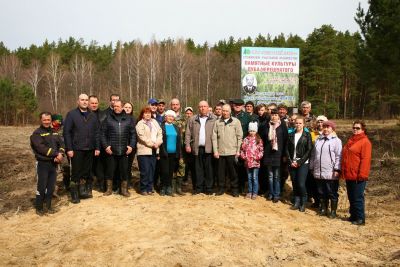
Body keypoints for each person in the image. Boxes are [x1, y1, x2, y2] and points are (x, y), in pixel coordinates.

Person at [63, 94, 100, 204]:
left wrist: (97, 147)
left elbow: (97, 133)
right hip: (76, 149)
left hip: (89, 148)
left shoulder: (92, 115)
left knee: (86, 172)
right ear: (78, 101)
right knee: (76, 173)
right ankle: (74, 194)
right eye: (82, 100)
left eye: (86, 100)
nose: (84, 102)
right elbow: (67, 132)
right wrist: (69, 148)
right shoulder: (71, 114)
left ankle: (82, 191)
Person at [30, 112, 65, 215]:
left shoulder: (54, 132)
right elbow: (41, 148)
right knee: (42, 186)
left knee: (51, 186)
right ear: (41, 120)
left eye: (48, 120)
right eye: (44, 120)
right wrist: (56, 155)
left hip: (53, 164)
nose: (46, 122)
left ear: (51, 120)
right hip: (43, 164)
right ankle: (39, 208)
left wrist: (61, 154)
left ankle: (49, 206)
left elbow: (62, 144)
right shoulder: (36, 134)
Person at [101, 100, 136, 197]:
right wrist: (106, 146)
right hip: (111, 150)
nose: (116, 108)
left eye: (118, 106)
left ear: (122, 107)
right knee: (110, 171)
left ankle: (124, 190)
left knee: (124, 171)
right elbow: (102, 134)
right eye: (115, 106)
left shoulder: (128, 119)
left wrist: (131, 146)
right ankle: (109, 189)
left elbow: (133, 134)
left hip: (124, 151)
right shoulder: (108, 118)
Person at [341, 120, 372, 225]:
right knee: (351, 196)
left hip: (358, 175)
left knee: (358, 197)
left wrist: (362, 175)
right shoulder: (351, 140)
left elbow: (365, 160)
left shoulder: (365, 142)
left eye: (358, 128)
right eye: (354, 128)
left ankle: (360, 218)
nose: (355, 130)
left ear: (363, 129)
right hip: (349, 174)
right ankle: (353, 215)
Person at [310, 120, 342, 218]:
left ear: (332, 129)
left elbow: (339, 156)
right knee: (321, 192)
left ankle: (333, 211)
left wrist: (337, 169)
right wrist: (311, 166)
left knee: (331, 192)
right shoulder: (318, 139)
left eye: (328, 127)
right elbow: (313, 155)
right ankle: (323, 208)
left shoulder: (336, 141)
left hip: (331, 172)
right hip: (318, 171)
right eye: (324, 127)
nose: (326, 129)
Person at [185, 100, 216, 194]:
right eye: (201, 106)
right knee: (198, 169)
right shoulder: (193, 119)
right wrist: (187, 145)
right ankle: (199, 188)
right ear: (198, 108)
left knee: (209, 169)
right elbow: (188, 133)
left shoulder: (214, 119)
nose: (202, 108)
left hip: (209, 148)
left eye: (204, 106)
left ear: (208, 107)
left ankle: (209, 188)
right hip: (197, 148)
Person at [212, 104, 243, 197]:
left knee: (233, 172)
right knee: (220, 172)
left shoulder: (236, 122)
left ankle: (234, 189)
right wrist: (215, 151)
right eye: (223, 111)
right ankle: (221, 189)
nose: (225, 112)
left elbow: (239, 137)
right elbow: (214, 137)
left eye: (226, 111)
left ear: (230, 112)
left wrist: (238, 150)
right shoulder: (217, 122)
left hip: (232, 152)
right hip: (220, 152)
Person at [285, 116, 313, 212]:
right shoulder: (291, 135)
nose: (298, 125)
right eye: (296, 123)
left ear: (303, 124)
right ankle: (296, 202)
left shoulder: (307, 135)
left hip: (303, 163)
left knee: (301, 183)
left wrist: (300, 162)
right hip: (292, 163)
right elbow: (286, 149)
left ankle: (303, 202)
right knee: (294, 183)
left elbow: (309, 150)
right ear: (294, 124)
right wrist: (290, 161)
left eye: (300, 123)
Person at [261, 108, 288, 202]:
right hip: (268, 153)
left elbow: (285, 141)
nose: (274, 116)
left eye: (276, 115)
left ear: (278, 116)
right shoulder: (266, 125)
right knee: (270, 175)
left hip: (278, 153)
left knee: (277, 175)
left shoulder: (282, 126)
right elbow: (263, 140)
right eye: (272, 115)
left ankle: (277, 194)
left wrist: (284, 154)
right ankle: (271, 193)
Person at [136, 107, 163, 195]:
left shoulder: (154, 122)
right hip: (144, 150)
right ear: (142, 114)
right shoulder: (140, 124)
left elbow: (160, 133)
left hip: (154, 150)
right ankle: (143, 188)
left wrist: (158, 143)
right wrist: (153, 144)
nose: (148, 114)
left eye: (149, 113)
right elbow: (142, 137)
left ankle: (150, 188)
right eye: (145, 113)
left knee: (152, 170)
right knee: (145, 171)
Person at [159, 110, 182, 196]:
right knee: (164, 171)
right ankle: (162, 187)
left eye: (172, 117)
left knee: (170, 171)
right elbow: (160, 140)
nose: (170, 118)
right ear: (165, 117)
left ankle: (169, 187)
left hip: (174, 153)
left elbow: (179, 141)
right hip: (164, 153)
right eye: (169, 116)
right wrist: (160, 152)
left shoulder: (176, 127)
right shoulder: (161, 127)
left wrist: (179, 153)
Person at [232, 98, 252, 194]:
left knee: (241, 167)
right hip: (230, 145)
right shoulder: (230, 115)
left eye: (239, 105)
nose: (237, 106)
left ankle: (241, 186)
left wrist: (246, 145)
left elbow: (250, 132)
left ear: (243, 106)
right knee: (232, 167)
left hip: (242, 145)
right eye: (235, 104)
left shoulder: (247, 117)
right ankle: (233, 186)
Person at [240, 122, 264, 200]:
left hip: (255, 162)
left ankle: (255, 192)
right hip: (247, 162)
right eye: (250, 131)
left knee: (254, 177)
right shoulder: (246, 139)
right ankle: (249, 192)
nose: (252, 132)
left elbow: (261, 151)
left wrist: (257, 157)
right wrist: (244, 157)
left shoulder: (258, 140)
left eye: (253, 131)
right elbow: (242, 150)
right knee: (249, 177)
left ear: (256, 131)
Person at [123, 102, 137, 189]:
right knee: (121, 166)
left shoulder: (134, 119)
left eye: (129, 107)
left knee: (128, 166)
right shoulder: (119, 118)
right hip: (121, 145)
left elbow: (135, 134)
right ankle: (120, 183)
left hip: (131, 146)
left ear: (132, 109)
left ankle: (127, 183)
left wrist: (131, 146)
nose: (127, 109)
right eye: (126, 107)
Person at [182, 107, 196, 187]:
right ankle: (184, 179)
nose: (188, 115)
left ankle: (194, 183)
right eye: (187, 113)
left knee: (192, 165)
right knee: (185, 164)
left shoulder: (194, 121)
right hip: (183, 146)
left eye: (190, 113)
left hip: (193, 146)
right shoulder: (182, 122)